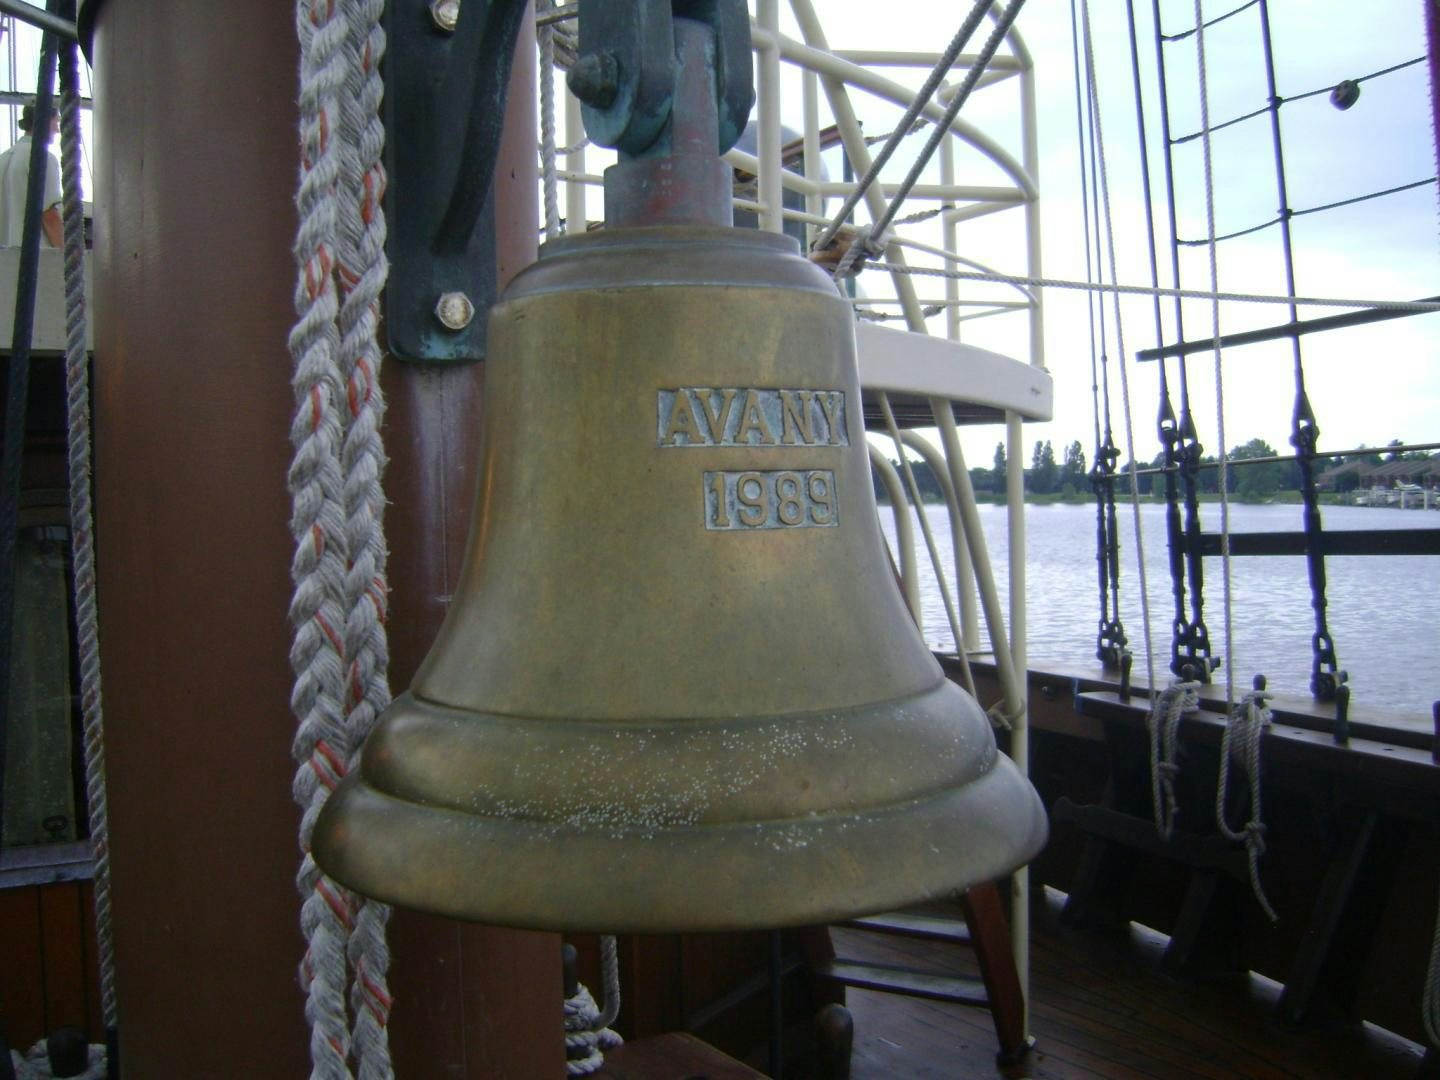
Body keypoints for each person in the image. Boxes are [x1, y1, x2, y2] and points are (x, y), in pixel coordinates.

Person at [0, 101, 62, 248]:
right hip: (37, 260)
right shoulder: (42, 158)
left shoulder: (3, 159)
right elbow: (49, 217)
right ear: (44, 120)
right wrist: (66, 257)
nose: (57, 129)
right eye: (56, 121)